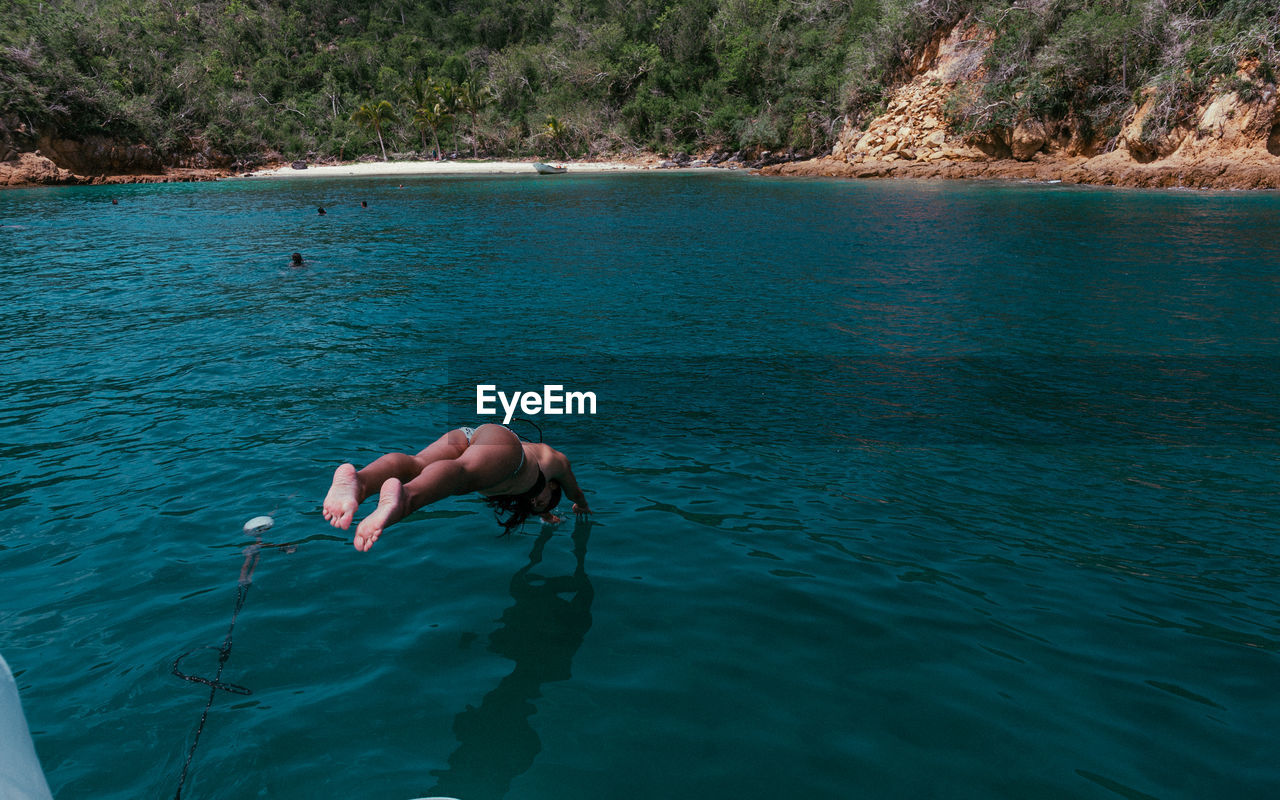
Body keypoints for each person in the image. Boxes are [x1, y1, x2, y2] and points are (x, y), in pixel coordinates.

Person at [323, 424, 590, 551]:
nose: (536, 503)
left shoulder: (525, 491)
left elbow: (539, 508)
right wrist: (581, 505)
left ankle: (359, 482)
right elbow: (575, 492)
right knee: (462, 475)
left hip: (471, 433)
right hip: (507, 447)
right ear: (553, 485)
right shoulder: (556, 463)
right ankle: (406, 497)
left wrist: (546, 516)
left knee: (418, 464)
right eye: (544, 500)